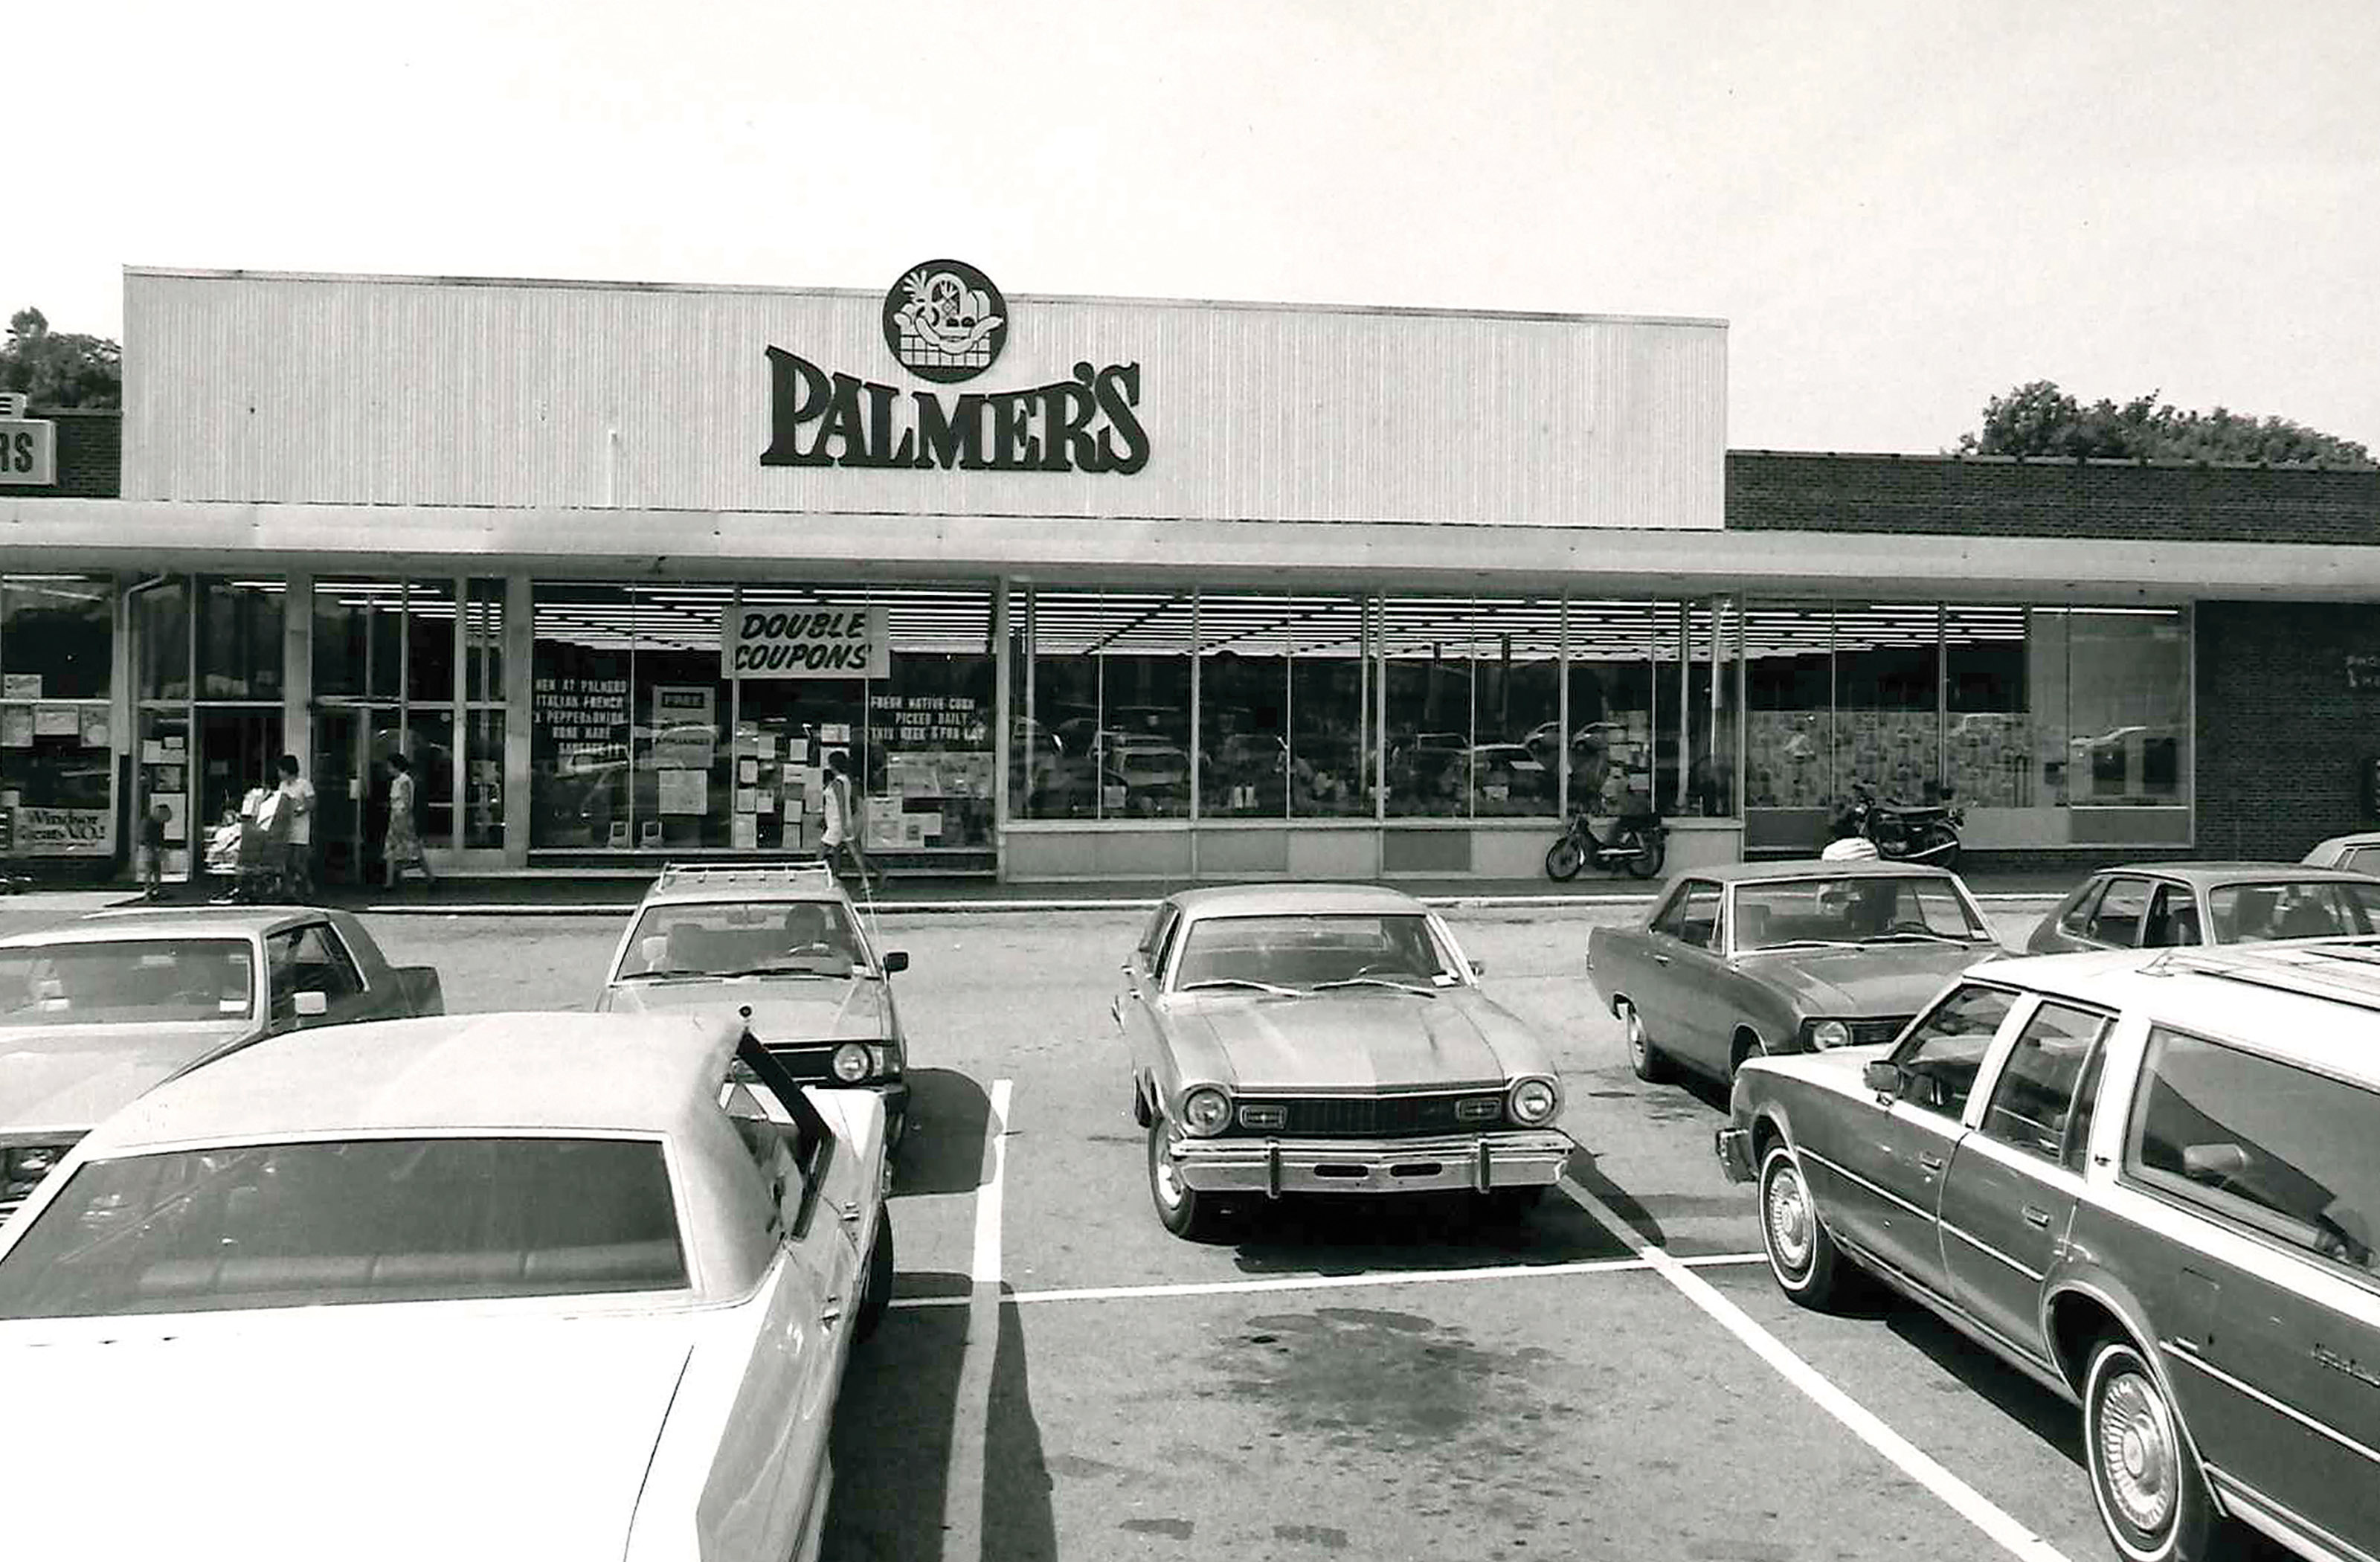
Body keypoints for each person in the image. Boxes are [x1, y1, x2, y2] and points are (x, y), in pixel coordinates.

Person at [820, 751, 881, 893]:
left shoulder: (837, 783)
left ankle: (821, 878)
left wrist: (842, 823)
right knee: (852, 852)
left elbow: (841, 804)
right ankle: (863, 880)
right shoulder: (846, 780)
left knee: (821, 851)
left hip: (836, 823)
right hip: (842, 822)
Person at [384, 753, 434, 888]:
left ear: (396, 766)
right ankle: (390, 882)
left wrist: (401, 819)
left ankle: (429, 877)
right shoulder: (397, 781)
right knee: (394, 851)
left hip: (402, 819)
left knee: (410, 850)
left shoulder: (404, 781)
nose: (388, 769)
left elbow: (406, 802)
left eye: (389, 766)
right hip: (396, 818)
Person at [275, 753, 317, 899]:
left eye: (281, 770)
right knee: (286, 861)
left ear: (287, 770)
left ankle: (307, 883)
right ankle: (290, 889)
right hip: (285, 828)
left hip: (300, 828)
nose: (279, 773)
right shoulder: (282, 786)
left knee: (298, 861)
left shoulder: (304, 784)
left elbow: (312, 802)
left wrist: (300, 809)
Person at [138, 803, 170, 900]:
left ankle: (157, 889)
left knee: (157, 869)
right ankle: (148, 891)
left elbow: (160, 837)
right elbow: (145, 837)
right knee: (149, 869)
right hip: (148, 848)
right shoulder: (148, 822)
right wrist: (155, 847)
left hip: (155, 847)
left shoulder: (159, 823)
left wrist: (161, 847)